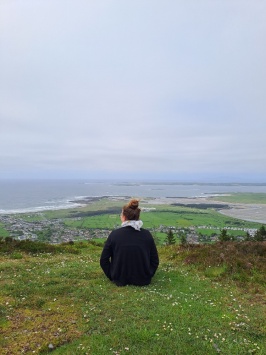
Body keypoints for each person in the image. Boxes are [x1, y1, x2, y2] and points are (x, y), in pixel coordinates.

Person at [100, 199, 159, 286]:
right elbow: (155, 260)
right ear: (137, 217)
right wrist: (148, 274)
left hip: (119, 279)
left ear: (124, 217)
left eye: (121, 214)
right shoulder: (147, 235)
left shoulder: (115, 235)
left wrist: (112, 275)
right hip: (143, 279)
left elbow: (103, 260)